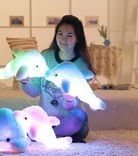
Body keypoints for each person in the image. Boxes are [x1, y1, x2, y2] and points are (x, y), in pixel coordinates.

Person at [20, 15, 95, 143]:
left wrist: (69, 98)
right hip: (46, 120)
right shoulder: (45, 57)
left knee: (78, 115)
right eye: (60, 34)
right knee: (25, 116)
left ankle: (47, 136)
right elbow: (34, 91)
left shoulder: (82, 64)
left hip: (72, 123)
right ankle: (52, 135)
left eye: (69, 35)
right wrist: (24, 80)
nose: (63, 39)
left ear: (77, 39)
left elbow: (73, 105)